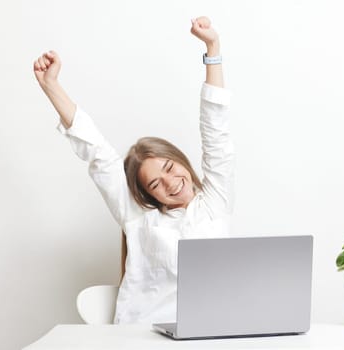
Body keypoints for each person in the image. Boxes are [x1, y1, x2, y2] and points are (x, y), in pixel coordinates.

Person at [33, 16, 233, 324]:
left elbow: (216, 132)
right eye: (155, 184)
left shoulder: (214, 203)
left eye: (169, 167)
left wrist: (213, 48)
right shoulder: (140, 217)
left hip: (215, 331)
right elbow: (98, 153)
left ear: (181, 160)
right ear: (148, 196)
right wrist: (51, 85)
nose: (170, 183)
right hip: (144, 336)